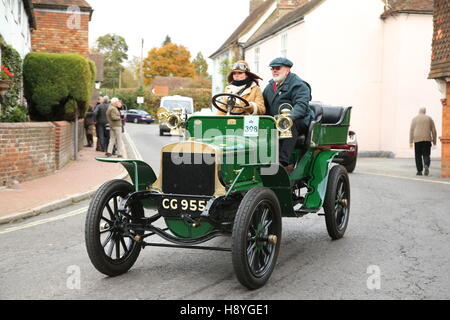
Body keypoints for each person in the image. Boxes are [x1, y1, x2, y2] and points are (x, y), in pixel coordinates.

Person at [262, 57, 314, 173]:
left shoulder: (298, 85)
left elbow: (301, 106)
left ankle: (283, 163)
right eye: (273, 69)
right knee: (258, 125)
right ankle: (261, 159)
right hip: (274, 121)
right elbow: (263, 106)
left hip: (299, 121)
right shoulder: (270, 86)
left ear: (287, 70)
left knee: (287, 124)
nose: (274, 71)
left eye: (278, 68)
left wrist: (287, 118)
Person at [409, 107, 437, 176]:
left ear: (419, 111)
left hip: (417, 139)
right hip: (427, 139)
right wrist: (434, 140)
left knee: (418, 155)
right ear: (425, 111)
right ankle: (426, 164)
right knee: (426, 154)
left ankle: (419, 171)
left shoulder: (414, 119)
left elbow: (411, 130)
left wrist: (410, 141)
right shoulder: (429, 118)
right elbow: (433, 130)